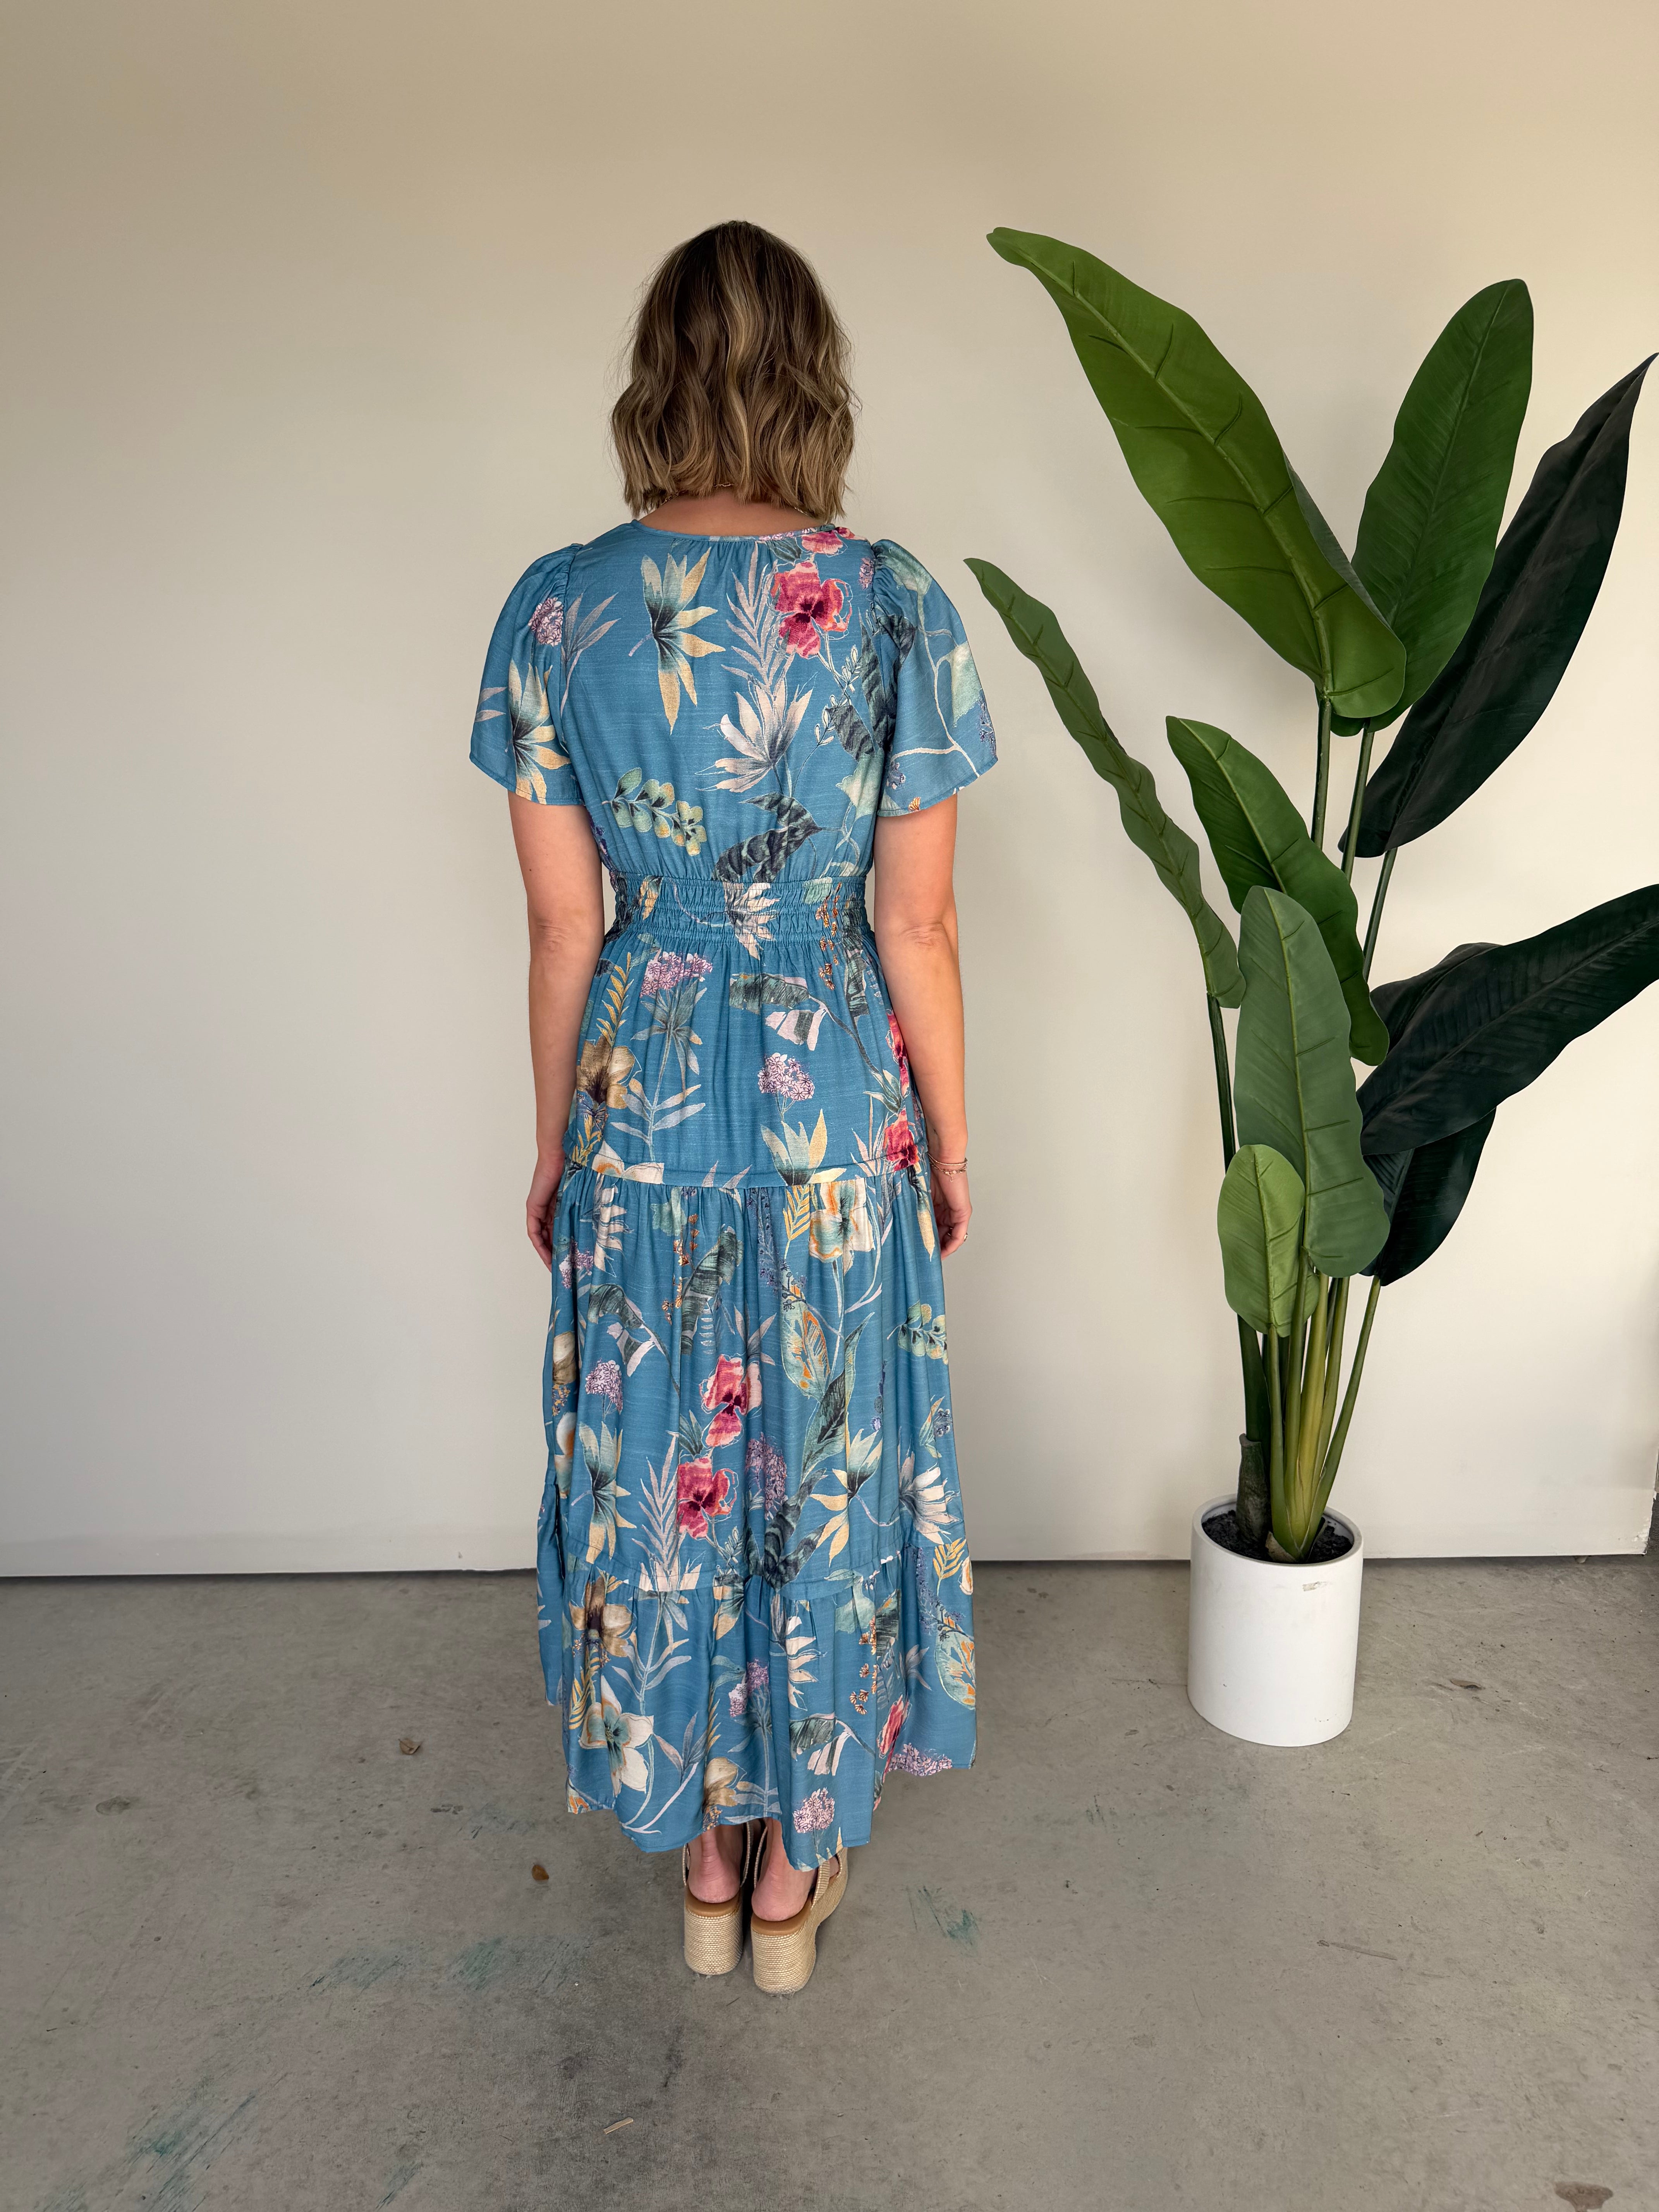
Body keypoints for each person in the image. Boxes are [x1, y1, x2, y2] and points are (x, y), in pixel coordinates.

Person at [469, 220, 996, 1995]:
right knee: (822, 1460)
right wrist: (951, 1134)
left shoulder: (557, 606)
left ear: (657, 378)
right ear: (815, 381)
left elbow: (564, 927)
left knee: (665, 1464)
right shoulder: (898, 603)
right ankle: (796, 1874)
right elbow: (915, 924)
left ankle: (705, 1853)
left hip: (647, 1084)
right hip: (837, 1088)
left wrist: (558, 1140)